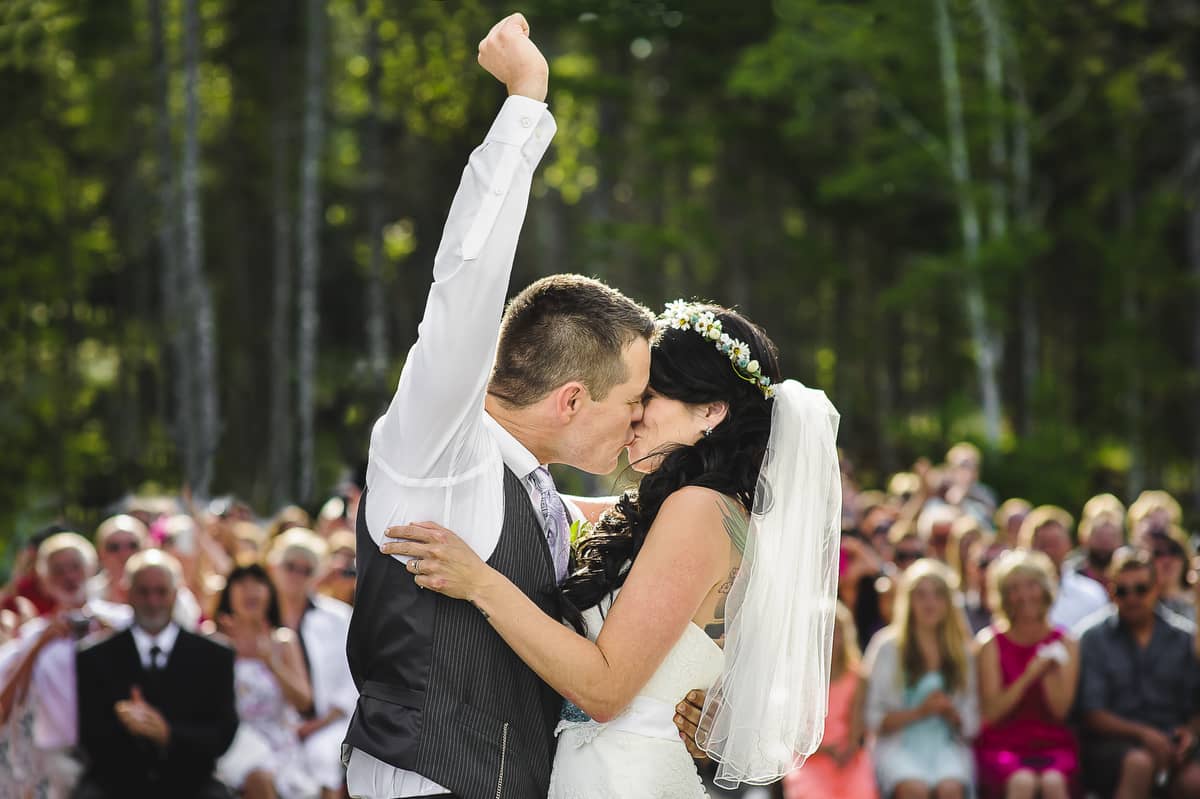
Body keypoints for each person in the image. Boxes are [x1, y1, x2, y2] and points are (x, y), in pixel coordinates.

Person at [342, 15, 659, 799]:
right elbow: (464, 286)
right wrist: (526, 102)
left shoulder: (540, 490)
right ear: (574, 396)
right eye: (634, 401)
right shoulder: (441, 451)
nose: (638, 421)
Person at [385, 299, 840, 796]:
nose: (636, 415)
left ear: (710, 410)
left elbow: (604, 691)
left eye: (651, 396)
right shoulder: (718, 514)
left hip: (620, 778)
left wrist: (479, 583)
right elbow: (545, 502)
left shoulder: (696, 511)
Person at [74, 550, 237, 799]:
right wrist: (132, 728)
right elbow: (90, 736)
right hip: (117, 782)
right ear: (127, 593)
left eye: (161, 592)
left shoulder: (214, 655)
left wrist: (167, 733)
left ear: (175, 594)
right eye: (143, 592)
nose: (153, 601)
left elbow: (221, 734)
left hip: (190, 780)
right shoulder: (94, 655)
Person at [0, 533, 131, 798]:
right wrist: (39, 647)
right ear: (45, 582)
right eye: (58, 570)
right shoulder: (35, 635)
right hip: (56, 765)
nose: (69, 577)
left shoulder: (123, 621)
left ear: (90, 569)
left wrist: (114, 637)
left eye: (75, 567)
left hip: (117, 755)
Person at [1076, 548, 1200, 799]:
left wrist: (1190, 733)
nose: (1132, 598)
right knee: (1139, 764)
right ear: (1111, 592)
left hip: (1174, 745)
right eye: (1122, 591)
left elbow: (1195, 704)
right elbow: (1092, 713)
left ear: (1156, 588)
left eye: (1141, 589)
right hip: (1112, 747)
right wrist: (1144, 735)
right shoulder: (1092, 639)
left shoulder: (1184, 637)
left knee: (1194, 780)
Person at [862, 558, 978, 799]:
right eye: (921, 595)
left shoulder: (962, 651)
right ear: (908, 600)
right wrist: (921, 711)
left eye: (938, 595)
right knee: (914, 789)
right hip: (899, 744)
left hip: (946, 745)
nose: (930, 603)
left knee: (950, 789)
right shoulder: (887, 647)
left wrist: (950, 713)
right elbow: (873, 718)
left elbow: (971, 721)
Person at [973, 550, 1079, 799]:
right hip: (1004, 745)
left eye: (1031, 585)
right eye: (1014, 588)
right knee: (1022, 783)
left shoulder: (1066, 642)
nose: (1023, 595)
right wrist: (1029, 676)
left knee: (1054, 783)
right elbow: (993, 712)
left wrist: (1050, 674)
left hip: (1053, 744)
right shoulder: (990, 643)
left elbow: (1061, 712)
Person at [213, 564, 319, 799]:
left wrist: (272, 662)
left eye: (257, 583)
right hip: (232, 739)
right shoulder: (214, 641)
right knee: (258, 777)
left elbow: (304, 701)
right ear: (228, 593)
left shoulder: (283, 641)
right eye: (241, 584)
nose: (250, 591)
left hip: (279, 742)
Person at [268, 529, 357, 799]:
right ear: (275, 567)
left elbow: (351, 677)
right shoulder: (261, 615)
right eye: (290, 566)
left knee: (321, 755)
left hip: (329, 721)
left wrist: (319, 722)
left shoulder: (338, 617)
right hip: (273, 721)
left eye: (306, 570)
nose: (296, 575)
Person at [783, 602, 878, 799]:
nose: (830, 639)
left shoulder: (856, 677)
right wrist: (825, 750)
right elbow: (793, 732)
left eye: (836, 631)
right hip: (810, 758)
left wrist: (848, 749)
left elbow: (857, 722)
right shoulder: (799, 679)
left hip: (848, 757)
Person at [1017, 505, 1108, 632]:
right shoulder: (1015, 596)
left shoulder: (1092, 594)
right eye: (1043, 544)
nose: (1049, 551)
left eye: (1055, 543)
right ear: (1028, 547)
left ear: (1069, 545)